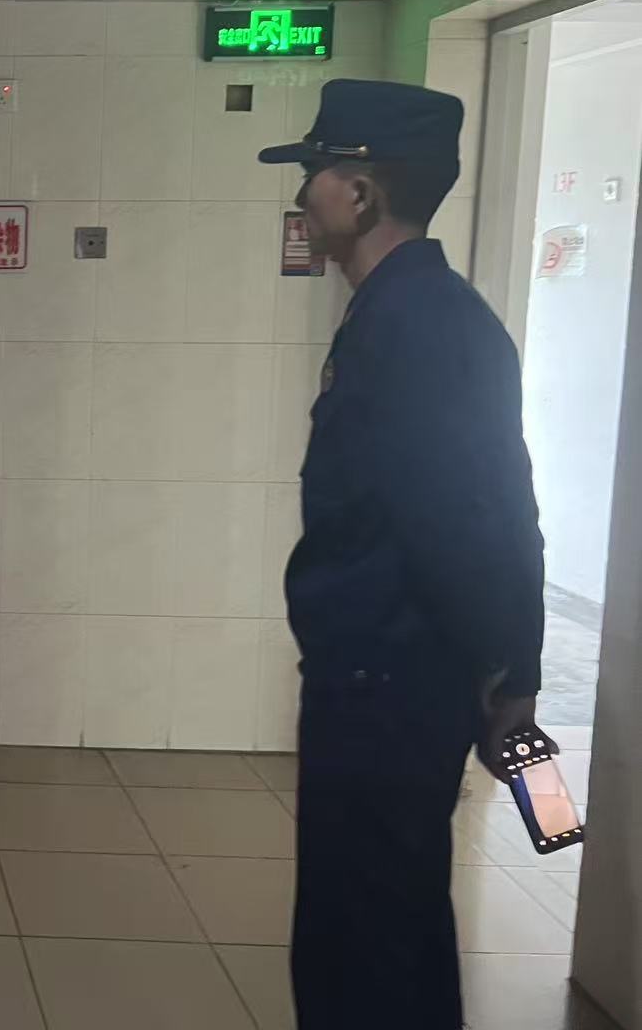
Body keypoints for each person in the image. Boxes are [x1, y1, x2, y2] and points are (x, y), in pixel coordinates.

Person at [258, 80, 548, 1029]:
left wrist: (510, 673)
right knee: (377, 917)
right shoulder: (404, 310)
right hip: (380, 674)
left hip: (390, 682)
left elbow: (479, 518)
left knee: (365, 932)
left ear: (359, 193)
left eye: (313, 173)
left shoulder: (419, 324)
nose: (300, 195)